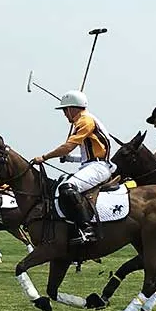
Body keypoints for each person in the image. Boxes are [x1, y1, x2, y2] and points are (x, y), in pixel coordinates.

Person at [33, 90, 115, 245]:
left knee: (67, 187)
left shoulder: (85, 121)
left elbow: (68, 147)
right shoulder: (84, 121)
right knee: (60, 185)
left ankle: (87, 229)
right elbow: (87, 157)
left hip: (99, 166)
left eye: (65, 110)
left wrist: (44, 157)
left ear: (72, 108)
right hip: (93, 164)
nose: (64, 114)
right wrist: (70, 159)